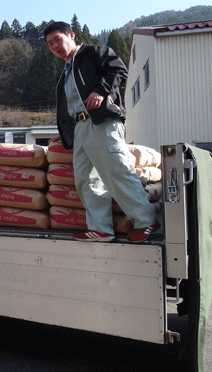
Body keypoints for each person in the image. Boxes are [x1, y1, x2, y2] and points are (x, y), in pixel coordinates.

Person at [43, 21, 157, 243]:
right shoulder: (65, 74)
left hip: (101, 121)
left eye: (58, 39)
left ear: (71, 35)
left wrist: (100, 91)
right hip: (81, 128)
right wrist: (65, 131)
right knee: (86, 180)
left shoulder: (93, 52)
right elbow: (71, 105)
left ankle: (146, 221)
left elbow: (118, 69)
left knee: (116, 170)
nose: (55, 45)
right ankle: (101, 229)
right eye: (50, 44)